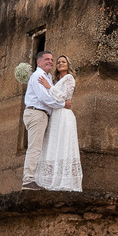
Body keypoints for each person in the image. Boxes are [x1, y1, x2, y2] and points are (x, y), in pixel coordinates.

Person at [21, 50, 69, 190]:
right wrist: (63, 104)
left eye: (51, 59)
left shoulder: (47, 77)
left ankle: (35, 178)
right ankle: (28, 180)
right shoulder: (38, 75)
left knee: (39, 148)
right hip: (37, 113)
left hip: (41, 114)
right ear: (38, 62)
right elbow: (44, 98)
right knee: (35, 148)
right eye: (47, 59)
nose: (50, 61)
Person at [34, 55, 83, 191]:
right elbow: (53, 98)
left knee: (64, 143)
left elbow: (64, 96)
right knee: (53, 144)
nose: (60, 64)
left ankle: (63, 180)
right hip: (55, 115)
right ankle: (49, 179)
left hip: (64, 116)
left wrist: (49, 87)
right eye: (58, 62)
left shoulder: (69, 78)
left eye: (63, 62)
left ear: (68, 64)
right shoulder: (55, 81)